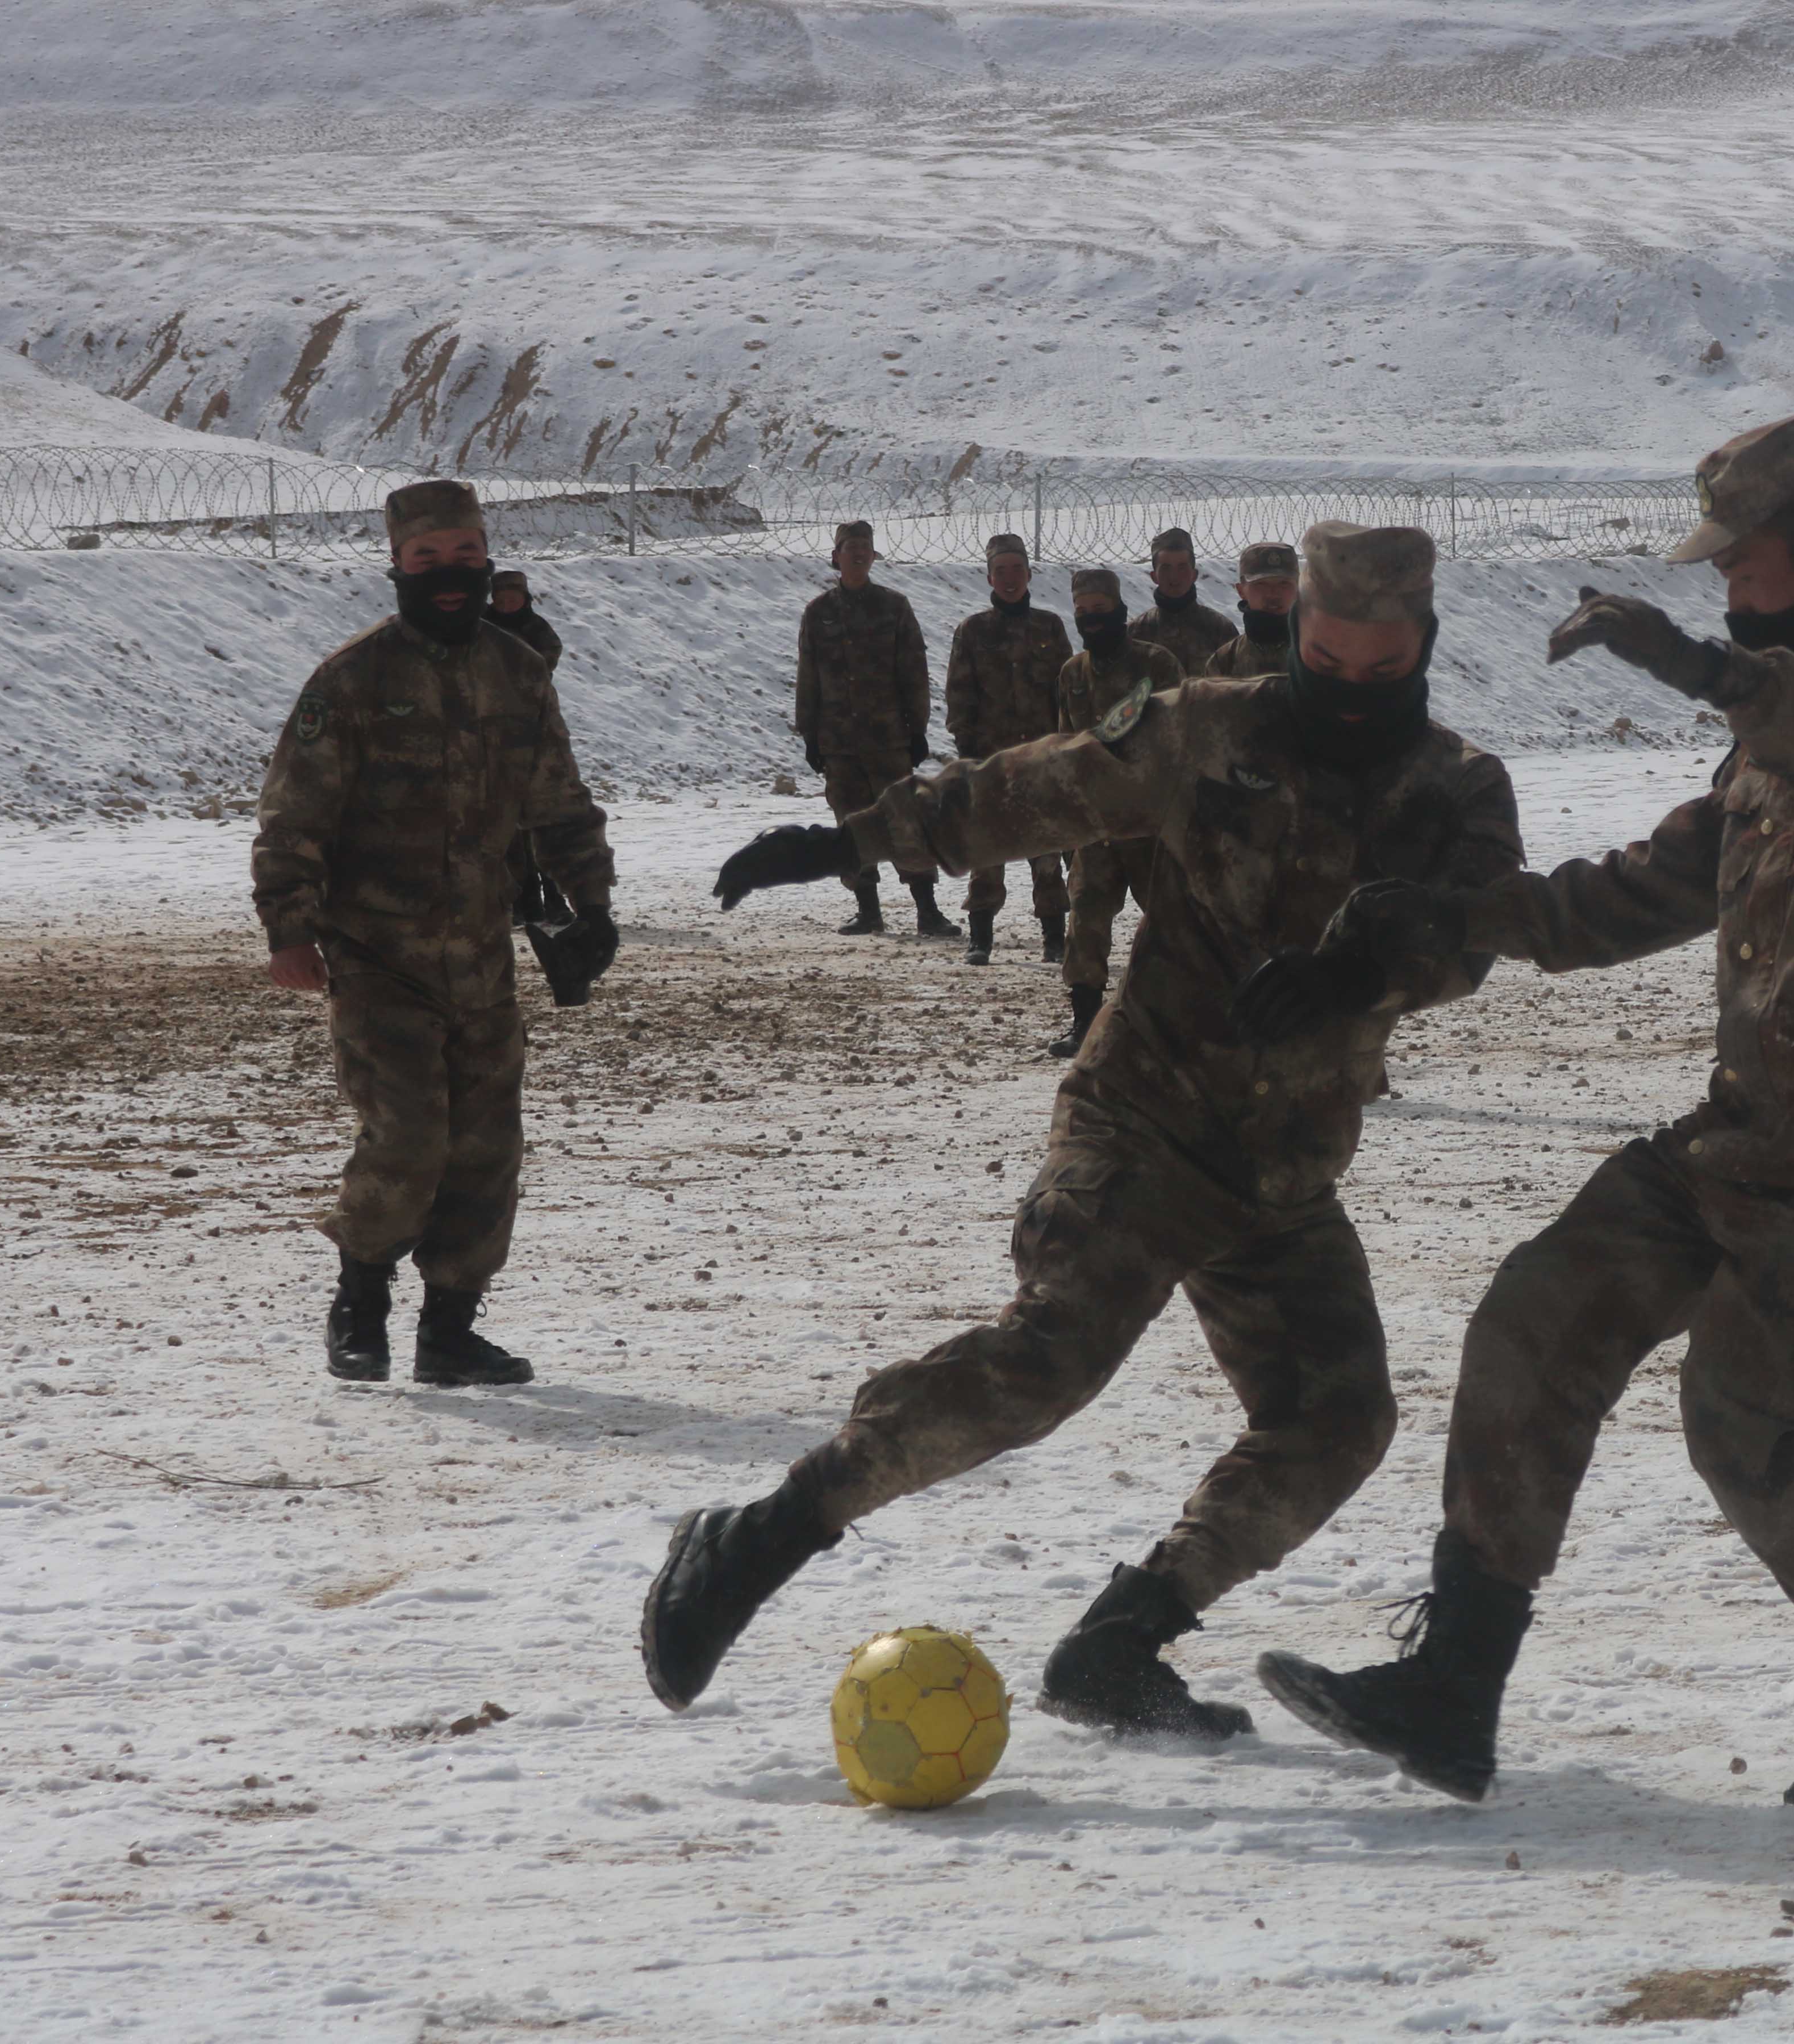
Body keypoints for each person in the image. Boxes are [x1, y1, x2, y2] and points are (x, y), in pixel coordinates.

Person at [1257, 408, 1794, 1818]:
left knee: (1743, 1418)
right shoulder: (1770, 743)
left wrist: (1706, 667)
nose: (1726, 588)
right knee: (1536, 1314)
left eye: (1749, 568)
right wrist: (1435, 927)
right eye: (1719, 576)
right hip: (1749, 1131)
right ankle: (1457, 1685)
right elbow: (1632, 893)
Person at [642, 523, 1524, 1740]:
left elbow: (1474, 932)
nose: (1355, 693)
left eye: (1385, 671)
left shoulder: (1459, 784)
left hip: (1280, 1171)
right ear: (1298, 636)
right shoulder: (1209, 725)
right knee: (1050, 1356)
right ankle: (760, 1534)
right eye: (1330, 662)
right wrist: (851, 837)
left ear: (1426, 645)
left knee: (1337, 1417)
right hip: (1142, 1118)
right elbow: (1028, 788)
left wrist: (1365, 970)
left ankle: (1123, 1638)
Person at [252, 479, 616, 1388]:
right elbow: (293, 816)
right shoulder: (352, 680)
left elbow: (560, 803)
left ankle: (450, 1328)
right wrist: (288, 931)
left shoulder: (518, 672)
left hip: (483, 956)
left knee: (488, 1147)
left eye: (463, 557)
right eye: (428, 560)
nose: (448, 575)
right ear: (399, 568)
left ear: (485, 559)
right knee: (408, 1135)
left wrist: (595, 902)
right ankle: (361, 1302)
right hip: (377, 957)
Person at [792, 519, 954, 938]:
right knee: (851, 826)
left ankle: (928, 910)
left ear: (873, 556)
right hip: (840, 744)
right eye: (851, 548)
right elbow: (808, 676)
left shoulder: (894, 607)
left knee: (907, 823)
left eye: (865, 547)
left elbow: (914, 673)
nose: (859, 554)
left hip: (888, 741)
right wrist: (810, 734)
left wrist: (916, 730)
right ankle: (868, 909)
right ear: (836, 557)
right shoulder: (819, 613)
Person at [1048, 568, 1186, 1060]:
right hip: (1095, 826)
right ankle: (1084, 1019)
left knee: (1173, 927)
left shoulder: (1157, 665)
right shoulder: (1072, 673)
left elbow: (1175, 740)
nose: (1091, 619)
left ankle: (1179, 1020)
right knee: (1085, 922)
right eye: (1082, 611)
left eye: (1099, 610)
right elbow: (1066, 748)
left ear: (1120, 610)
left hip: (1150, 826)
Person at [945, 533, 1073, 967]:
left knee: (1048, 852)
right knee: (986, 851)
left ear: (1030, 573)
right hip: (991, 762)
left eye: (1017, 568)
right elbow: (959, 696)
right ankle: (980, 937)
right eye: (1001, 571)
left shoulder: (1050, 627)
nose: (1010, 578)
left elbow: (1068, 690)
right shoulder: (973, 631)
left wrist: (1067, 745)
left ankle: (1055, 938)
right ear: (989, 578)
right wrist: (968, 753)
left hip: (1041, 759)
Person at [484, 569, 571, 929]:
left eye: (513, 598)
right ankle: (521, 901)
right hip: (490, 737)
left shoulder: (539, 632)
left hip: (532, 734)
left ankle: (554, 899)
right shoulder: (480, 627)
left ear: (525, 597)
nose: (506, 605)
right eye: (500, 599)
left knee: (538, 821)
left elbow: (537, 670)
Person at [1133, 525, 1238, 674]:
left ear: (1194, 575)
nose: (1174, 576)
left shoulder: (1220, 630)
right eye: (1166, 568)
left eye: (1182, 567)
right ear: (1154, 576)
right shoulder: (1137, 632)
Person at [1203, 542, 1299, 678]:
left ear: (1298, 588)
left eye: (1284, 583)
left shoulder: (1319, 656)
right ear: (1241, 591)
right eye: (1261, 584)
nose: (1273, 593)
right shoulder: (1225, 662)